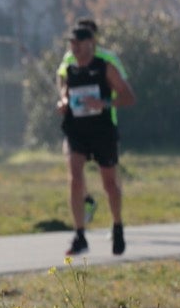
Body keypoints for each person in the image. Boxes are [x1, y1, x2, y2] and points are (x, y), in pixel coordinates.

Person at [57, 24, 135, 257]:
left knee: (109, 184)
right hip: (76, 131)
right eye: (72, 43)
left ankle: (118, 226)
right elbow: (63, 91)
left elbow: (128, 96)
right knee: (75, 179)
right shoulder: (68, 68)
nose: (75, 48)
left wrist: (104, 103)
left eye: (79, 42)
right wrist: (62, 103)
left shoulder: (105, 66)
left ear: (91, 42)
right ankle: (80, 235)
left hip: (102, 131)